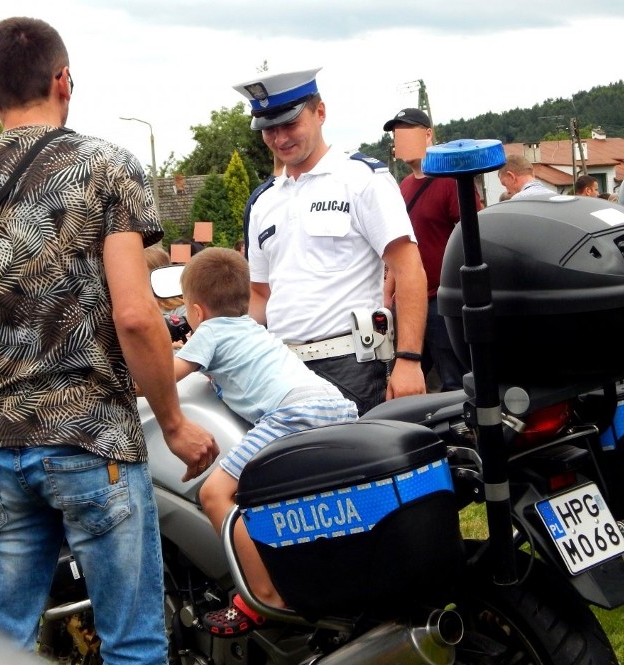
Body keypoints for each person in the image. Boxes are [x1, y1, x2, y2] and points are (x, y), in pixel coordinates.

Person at [0, 17, 218, 665]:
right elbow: (137, 316)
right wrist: (172, 422)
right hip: (93, 440)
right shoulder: (107, 169)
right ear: (64, 80)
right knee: (132, 642)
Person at [172, 247, 358, 634]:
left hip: (293, 413)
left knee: (214, 495)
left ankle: (263, 597)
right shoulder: (252, 328)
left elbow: (162, 378)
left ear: (197, 311)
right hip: (335, 405)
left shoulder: (209, 332)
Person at [233, 68, 427, 414]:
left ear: (320, 112)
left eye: (290, 124)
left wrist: (409, 360)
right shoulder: (263, 202)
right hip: (282, 371)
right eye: (269, 128)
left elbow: (408, 267)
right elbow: (260, 294)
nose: (279, 138)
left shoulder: (361, 179)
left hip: (352, 366)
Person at [382, 108, 481, 390]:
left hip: (442, 299)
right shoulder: (402, 187)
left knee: (454, 379)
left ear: (428, 135)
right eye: (397, 135)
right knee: (405, 375)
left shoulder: (451, 182)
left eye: (407, 132)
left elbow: (473, 236)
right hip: (409, 301)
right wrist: (388, 292)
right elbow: (397, 247)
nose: (400, 141)